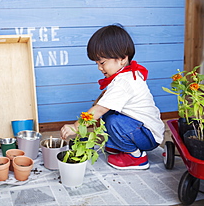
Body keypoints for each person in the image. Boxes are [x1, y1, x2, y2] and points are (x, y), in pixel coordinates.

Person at [60, 24, 165, 170]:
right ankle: (119, 144)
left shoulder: (124, 82)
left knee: (113, 120)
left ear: (122, 58)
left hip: (148, 136)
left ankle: (136, 157)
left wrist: (76, 126)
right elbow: (103, 100)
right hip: (140, 128)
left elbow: (99, 109)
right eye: (97, 63)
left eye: (102, 62)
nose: (99, 67)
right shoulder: (125, 75)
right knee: (110, 115)